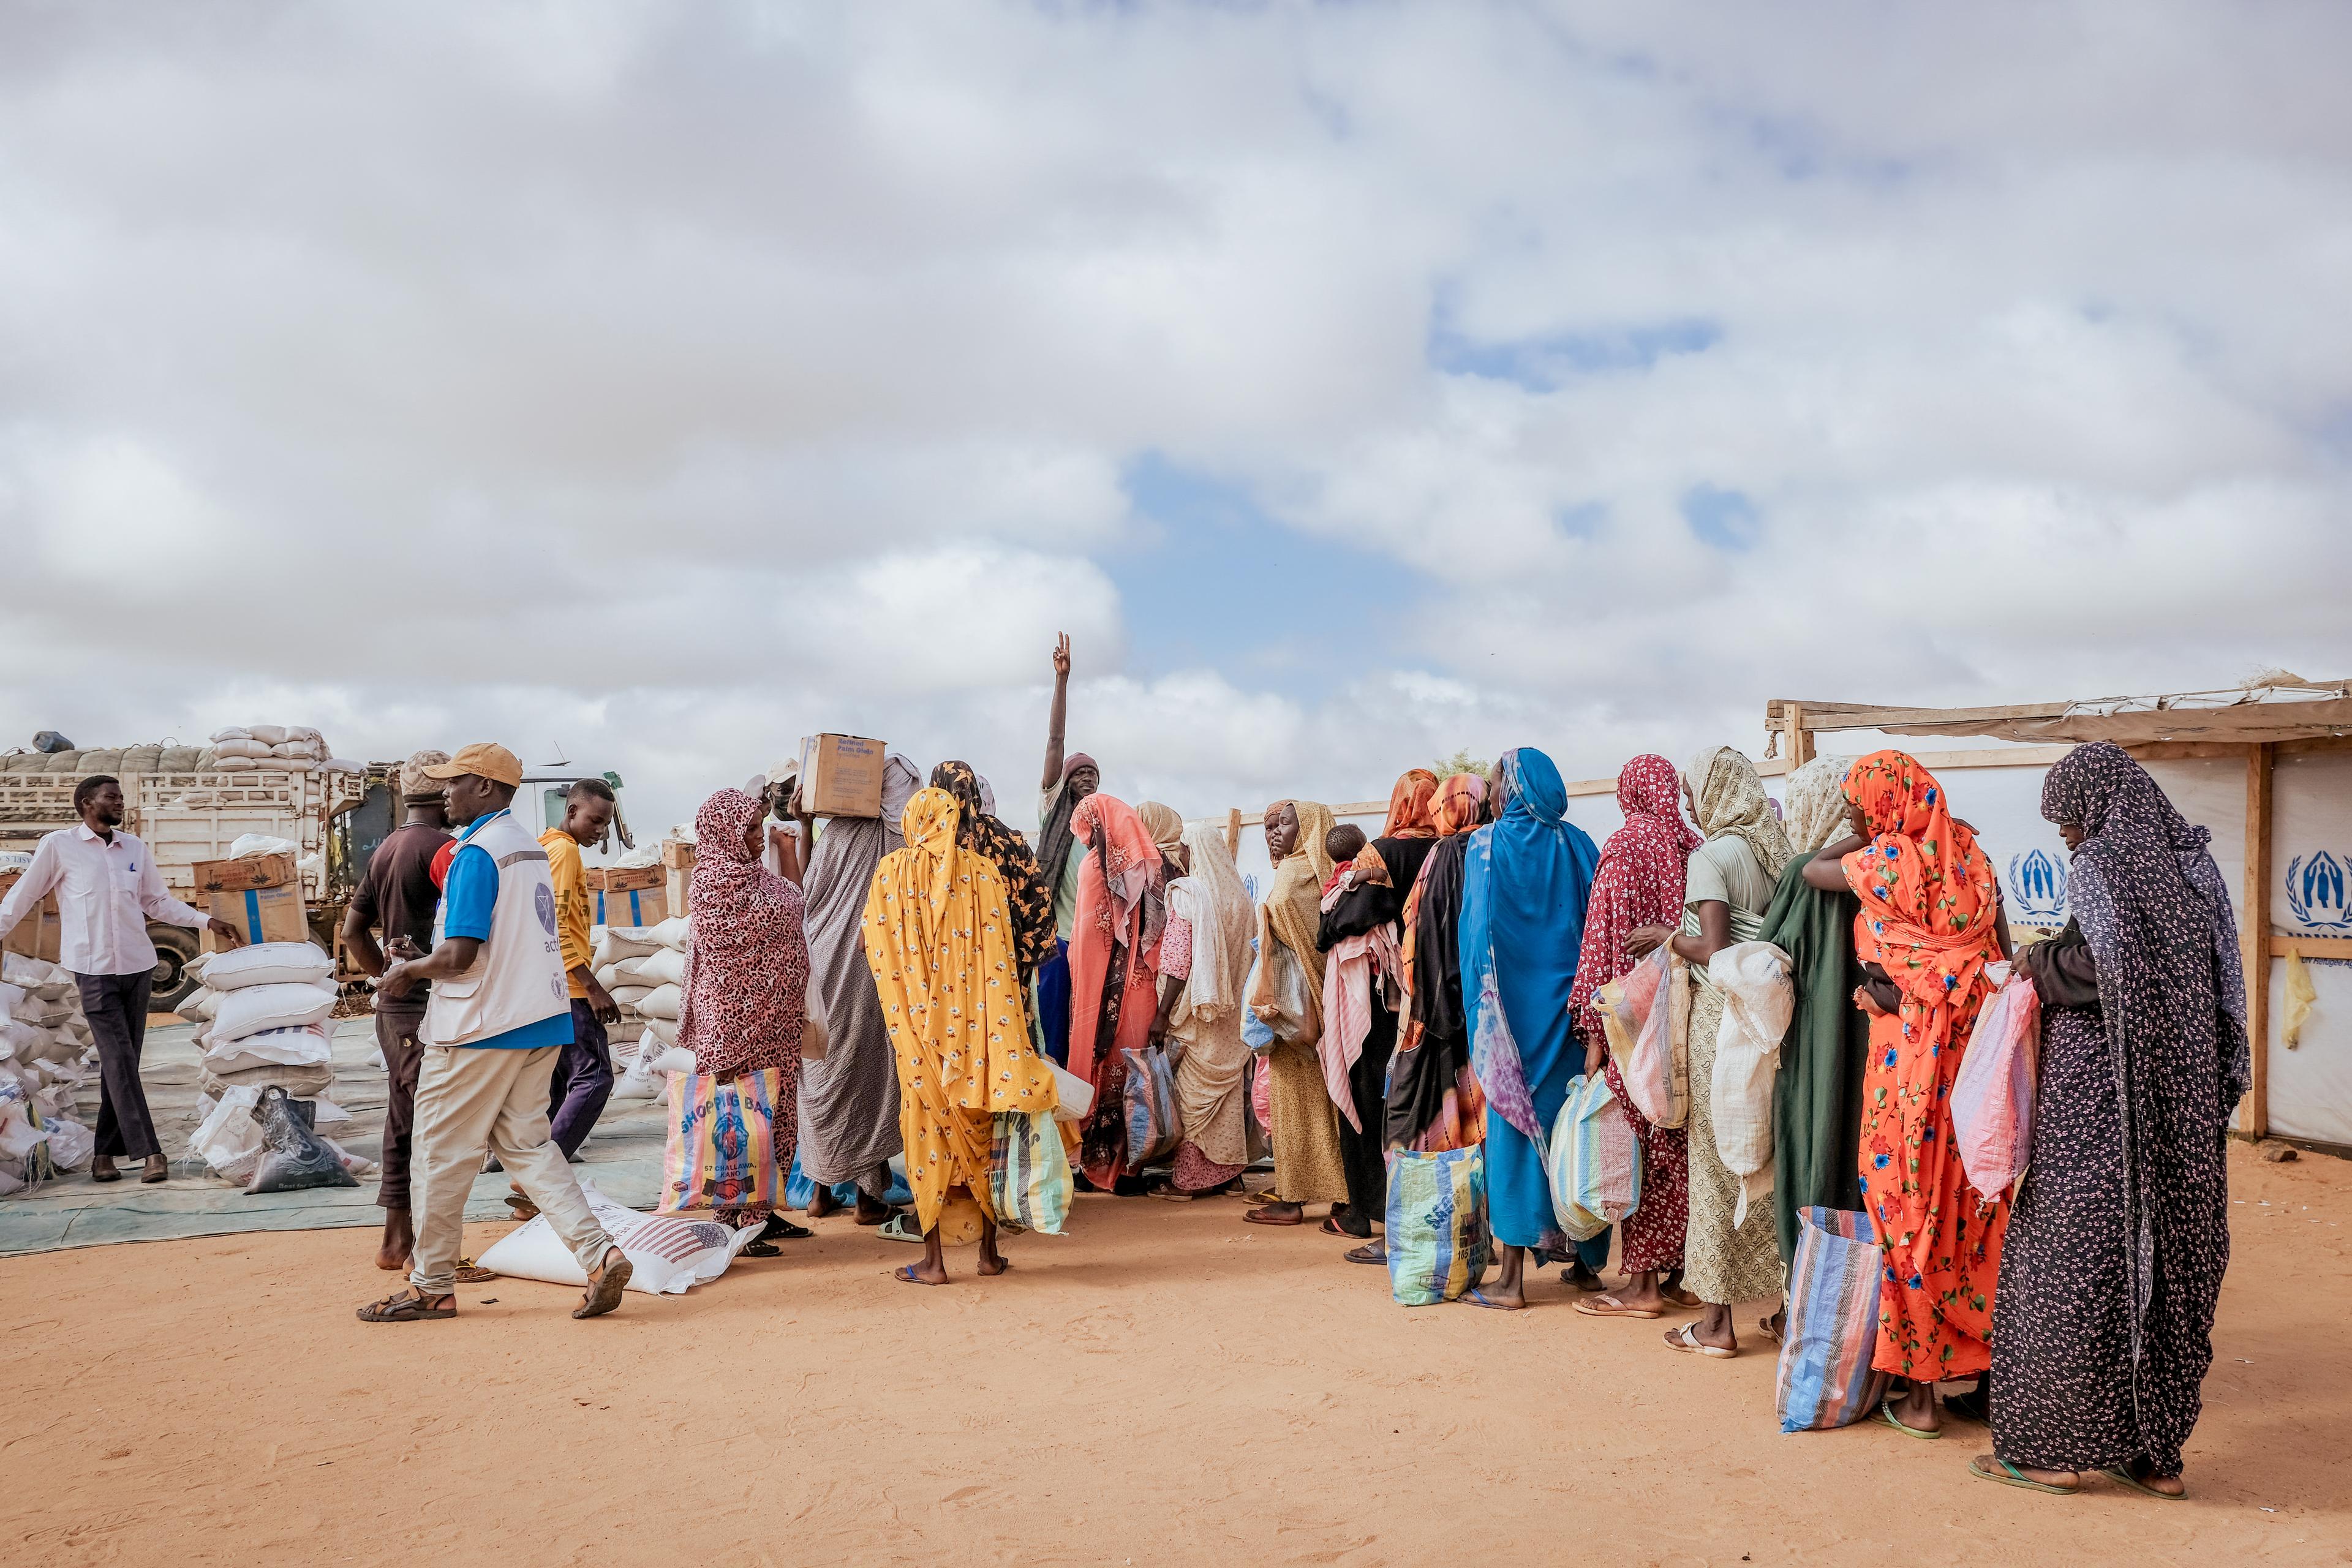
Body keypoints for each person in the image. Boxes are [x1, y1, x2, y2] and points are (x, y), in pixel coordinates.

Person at [1973, 742, 2245, 1499]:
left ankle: (2051, 1450)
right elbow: (2208, 979)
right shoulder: (2192, 864)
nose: (2065, 836)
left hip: (2101, 1106)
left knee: (2065, 1262)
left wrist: (2036, 967)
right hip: (2180, 1114)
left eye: (2067, 820)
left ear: (2097, 805)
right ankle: (2155, 1455)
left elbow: (2105, 968)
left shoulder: (2102, 865)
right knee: (2171, 1266)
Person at [357, 744, 631, 1323]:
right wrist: (426, 956)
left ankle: (431, 1284)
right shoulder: (527, 848)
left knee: (437, 1153)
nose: (442, 795)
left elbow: (460, 956)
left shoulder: (477, 854)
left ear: (483, 787)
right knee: (529, 1149)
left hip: (479, 1027)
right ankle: (600, 1254)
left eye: (453, 783)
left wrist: (410, 969)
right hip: (540, 1020)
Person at [1800, 749, 2010, 1434]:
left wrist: (1868, 832)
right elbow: (1997, 957)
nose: (1854, 815)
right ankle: (1985, 1376)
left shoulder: (1885, 862)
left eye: (1860, 802)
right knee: (1968, 1209)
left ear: (1885, 806)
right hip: (1971, 1061)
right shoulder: (1974, 859)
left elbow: (1810, 870)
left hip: (1907, 1066)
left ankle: (1919, 1397)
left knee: (1903, 1205)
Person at [1624, 746, 1792, 1352]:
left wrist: (1667, 937)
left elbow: (1716, 950)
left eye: (1696, 789)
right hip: (1770, 1016)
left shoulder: (1714, 856)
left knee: (1717, 1165)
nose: (1689, 801)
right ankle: (1782, 1309)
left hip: (1722, 1019)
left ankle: (1717, 1323)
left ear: (1719, 791)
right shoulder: (1775, 849)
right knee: (1764, 1162)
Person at [0, 775, 241, 1185]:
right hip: (92, 970)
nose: (120, 804)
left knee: (122, 1062)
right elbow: (22, 897)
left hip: (138, 966)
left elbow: (157, 902)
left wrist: (207, 920)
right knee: (118, 1059)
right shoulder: (60, 846)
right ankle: (150, 1152)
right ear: (86, 804)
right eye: (112, 797)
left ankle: (103, 1157)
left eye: (120, 798)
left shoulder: (135, 848)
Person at [862, 785, 1059, 1285]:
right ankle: (989, 1255)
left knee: (925, 1138)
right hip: (977, 1039)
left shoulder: (890, 875)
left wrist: (912, 1015)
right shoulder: (984, 873)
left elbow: (876, 949)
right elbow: (1003, 958)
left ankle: (933, 1263)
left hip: (918, 1038)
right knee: (984, 1137)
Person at [1457, 748, 1605, 1310]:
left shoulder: (1486, 847)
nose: (1493, 793)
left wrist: (1481, 1015)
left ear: (1514, 789)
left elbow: (1475, 940)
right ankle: (1588, 1266)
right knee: (1577, 1132)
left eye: (1498, 783)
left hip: (1511, 1023)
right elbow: (1598, 926)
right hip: (1570, 1017)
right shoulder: (1579, 844)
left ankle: (1512, 1279)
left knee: (1515, 1135)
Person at [1569, 755, 1702, 1321]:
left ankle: (1642, 1286)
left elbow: (1604, 944)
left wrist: (1595, 1037)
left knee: (1640, 1148)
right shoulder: (1693, 847)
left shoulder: (1624, 848)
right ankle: (1682, 1276)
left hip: (1634, 1024)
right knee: (1682, 1148)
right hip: (1692, 1017)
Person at [1755, 754, 1869, 1340]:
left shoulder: (1809, 868)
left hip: (1812, 1042)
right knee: (1857, 1163)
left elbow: (1770, 952)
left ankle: (1804, 1310)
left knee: (1811, 1157)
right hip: (1876, 1044)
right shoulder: (1884, 865)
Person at [676, 786, 812, 1254]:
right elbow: (731, 949)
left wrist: (787, 849)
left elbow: (796, 903)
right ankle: (733, 1220)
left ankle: (759, 1215)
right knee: (737, 1119)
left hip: (776, 1021)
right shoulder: (713, 883)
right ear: (724, 832)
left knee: (775, 1117)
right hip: (734, 1029)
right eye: (749, 829)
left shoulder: (755, 875)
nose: (758, 838)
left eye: (757, 827)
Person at [341, 750, 461, 1270]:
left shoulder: (388, 847)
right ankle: (422, 1254)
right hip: (425, 1008)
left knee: (403, 1117)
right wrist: (409, 981)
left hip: (396, 1011)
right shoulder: (447, 851)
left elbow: (351, 932)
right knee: (433, 1124)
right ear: (442, 793)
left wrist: (382, 983)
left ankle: (397, 1241)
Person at [1317, 769, 1443, 1261]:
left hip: (1380, 999)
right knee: (1425, 1104)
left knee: (1369, 1098)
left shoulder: (1385, 852)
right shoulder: (1453, 850)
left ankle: (1366, 1211)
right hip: (1436, 996)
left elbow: (1341, 921)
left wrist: (1328, 925)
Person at [797, 754, 922, 1226]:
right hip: (870, 975)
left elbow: (805, 893)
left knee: (825, 1074)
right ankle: (869, 1198)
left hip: (823, 967)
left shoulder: (835, 833)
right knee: (866, 1075)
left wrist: (806, 827)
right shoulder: (901, 841)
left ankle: (821, 1191)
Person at [1243, 799, 1350, 1227]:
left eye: (1283, 824)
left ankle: (1292, 1197)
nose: (1274, 833)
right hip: (1329, 1005)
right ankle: (1344, 1195)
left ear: (1307, 827)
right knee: (1335, 1105)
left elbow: (1284, 936)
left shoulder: (1291, 875)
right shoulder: (1330, 876)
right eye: (1269, 826)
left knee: (1293, 1108)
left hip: (1295, 1011)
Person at [1149, 818, 1257, 1199]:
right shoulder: (1241, 897)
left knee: (1192, 1095)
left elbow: (1178, 961)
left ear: (1194, 852)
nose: (1180, 853)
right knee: (1227, 1094)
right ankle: (1230, 1175)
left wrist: (1162, 1014)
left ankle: (1189, 1180)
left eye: (1184, 847)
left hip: (1198, 1013)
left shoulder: (1189, 893)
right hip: (1234, 1018)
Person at [1066, 793, 1168, 1191]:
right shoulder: (1151, 866)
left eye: (1091, 832)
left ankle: (1107, 1168)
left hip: (1108, 987)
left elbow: (1089, 936)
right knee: (1127, 1071)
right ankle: (1121, 1168)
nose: (1090, 841)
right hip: (1137, 987)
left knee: (1115, 1069)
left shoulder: (1099, 864)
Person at [1387, 772, 1488, 1154]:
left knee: (1447, 1106)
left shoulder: (1445, 854)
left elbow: (1423, 931)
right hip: (1490, 999)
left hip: (1446, 1002)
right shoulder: (1496, 846)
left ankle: (1453, 1196)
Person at [539, 780, 624, 1170]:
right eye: (595, 820)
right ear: (572, 811)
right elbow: (552, 924)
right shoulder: (565, 852)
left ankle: (527, 1154)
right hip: (571, 986)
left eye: (606, 824)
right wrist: (592, 986)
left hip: (553, 986)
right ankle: (546, 1167)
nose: (600, 830)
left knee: (558, 1080)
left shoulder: (547, 847)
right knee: (594, 1077)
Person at [1033, 633, 1098, 1066]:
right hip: (1056, 943)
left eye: (1094, 774)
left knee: (1085, 1039)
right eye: (1080, 773)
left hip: (1092, 945)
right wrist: (1062, 681)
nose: (1088, 778)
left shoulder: (1102, 833)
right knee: (1054, 1038)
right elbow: (1056, 743)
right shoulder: (1055, 811)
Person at [932, 761, 1058, 982]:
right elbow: (1039, 900)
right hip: (1007, 964)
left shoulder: (933, 844)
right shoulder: (1009, 839)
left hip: (949, 969)